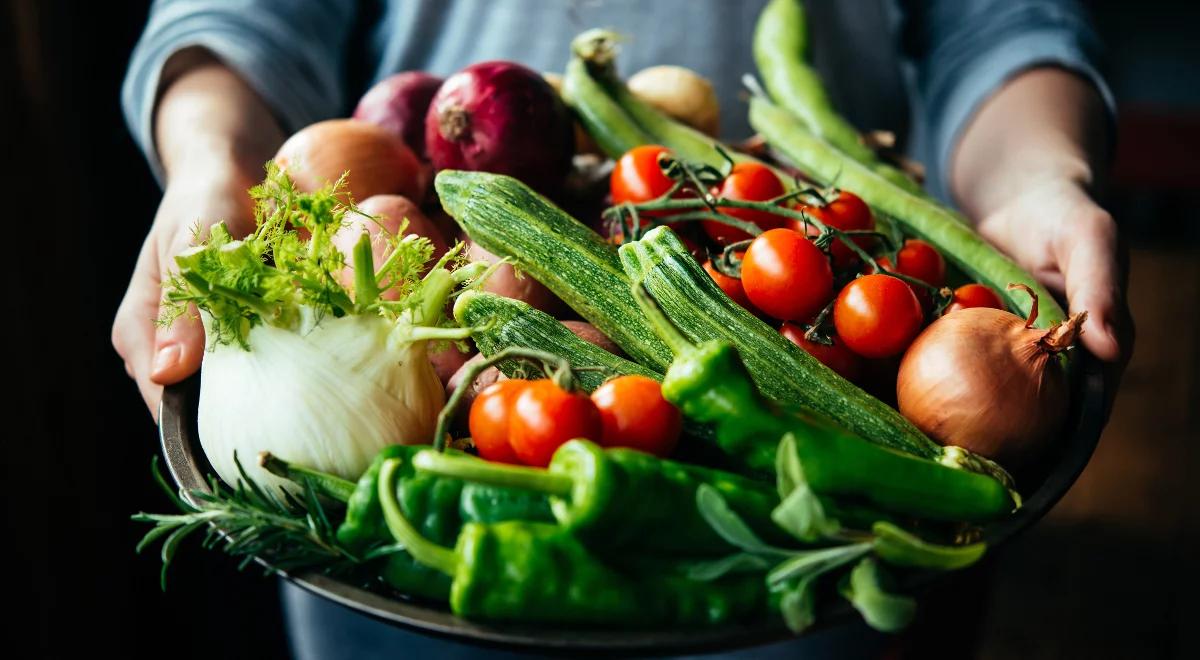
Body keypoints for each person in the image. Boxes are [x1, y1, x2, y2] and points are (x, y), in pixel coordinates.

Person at [114, 0, 1134, 657]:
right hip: (410, 564)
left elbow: (998, 22)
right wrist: (211, 164)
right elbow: (243, 17)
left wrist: (1042, 175)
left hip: (828, 560)